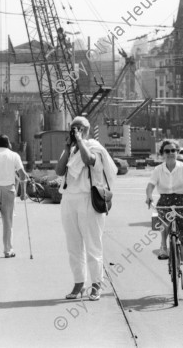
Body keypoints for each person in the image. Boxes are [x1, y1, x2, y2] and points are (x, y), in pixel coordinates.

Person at [55, 116, 118, 301]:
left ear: (86, 129)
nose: (75, 131)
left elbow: (89, 160)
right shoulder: (71, 149)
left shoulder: (94, 147)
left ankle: (96, 284)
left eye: (79, 128)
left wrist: (81, 141)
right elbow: (59, 171)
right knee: (73, 246)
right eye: (73, 128)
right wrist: (67, 148)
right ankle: (78, 283)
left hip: (88, 199)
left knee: (93, 245)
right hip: (69, 199)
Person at [146, 139, 183, 291]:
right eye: (167, 151)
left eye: (173, 150)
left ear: (177, 152)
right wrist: (149, 196)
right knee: (162, 219)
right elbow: (150, 185)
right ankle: (163, 246)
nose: (170, 153)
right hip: (165, 201)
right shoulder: (158, 169)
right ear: (162, 154)